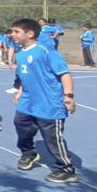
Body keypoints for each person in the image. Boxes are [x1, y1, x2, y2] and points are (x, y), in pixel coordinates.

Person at [9, 18, 78, 183]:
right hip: (28, 101)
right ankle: (28, 153)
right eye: (12, 32)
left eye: (16, 32)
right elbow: (25, 76)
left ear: (30, 34)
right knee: (20, 125)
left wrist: (68, 96)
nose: (12, 35)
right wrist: (20, 92)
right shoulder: (20, 54)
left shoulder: (45, 51)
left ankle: (66, 170)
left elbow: (65, 74)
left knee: (52, 138)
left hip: (49, 103)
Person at [5, 28, 23, 94]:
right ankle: (16, 87)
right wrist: (10, 61)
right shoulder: (13, 40)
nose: (12, 36)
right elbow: (11, 49)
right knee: (18, 72)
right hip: (19, 56)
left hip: (28, 56)